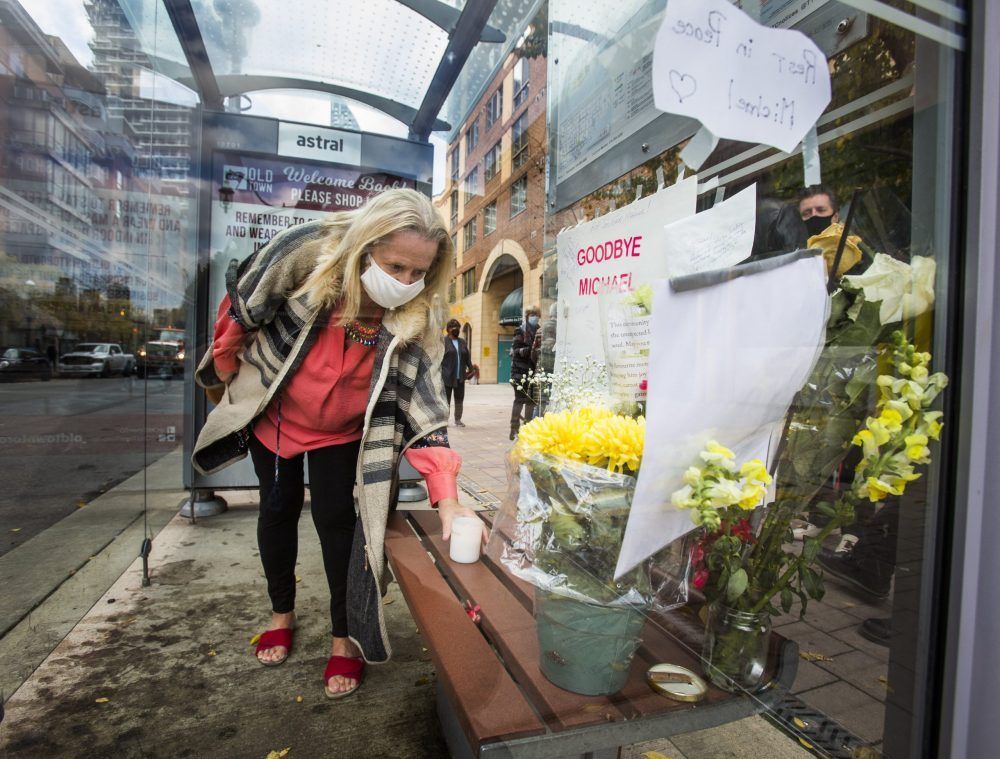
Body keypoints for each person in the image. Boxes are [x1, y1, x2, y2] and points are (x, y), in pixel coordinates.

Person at [193, 189, 484, 699]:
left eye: (419, 273)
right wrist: (223, 369)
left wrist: (450, 501)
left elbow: (426, 402)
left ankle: (343, 638)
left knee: (339, 526)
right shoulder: (308, 256)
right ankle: (281, 611)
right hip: (279, 416)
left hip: (344, 430)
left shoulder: (418, 319)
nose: (405, 283)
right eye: (394, 265)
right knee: (277, 509)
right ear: (365, 246)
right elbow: (244, 305)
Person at [509, 306, 540, 440]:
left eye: (537, 314)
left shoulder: (539, 329)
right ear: (527, 316)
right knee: (519, 400)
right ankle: (514, 428)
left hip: (532, 371)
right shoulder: (520, 330)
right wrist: (529, 350)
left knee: (531, 401)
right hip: (519, 371)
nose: (535, 317)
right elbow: (516, 350)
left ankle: (527, 428)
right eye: (532, 314)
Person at [441, 318, 473, 426]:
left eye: (458, 328)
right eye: (454, 328)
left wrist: (472, 369)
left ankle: (458, 419)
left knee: (459, 399)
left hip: (461, 377)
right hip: (447, 376)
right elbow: (438, 359)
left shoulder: (462, 342)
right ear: (448, 329)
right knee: (446, 401)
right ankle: (444, 420)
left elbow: (467, 358)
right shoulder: (443, 341)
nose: (457, 330)